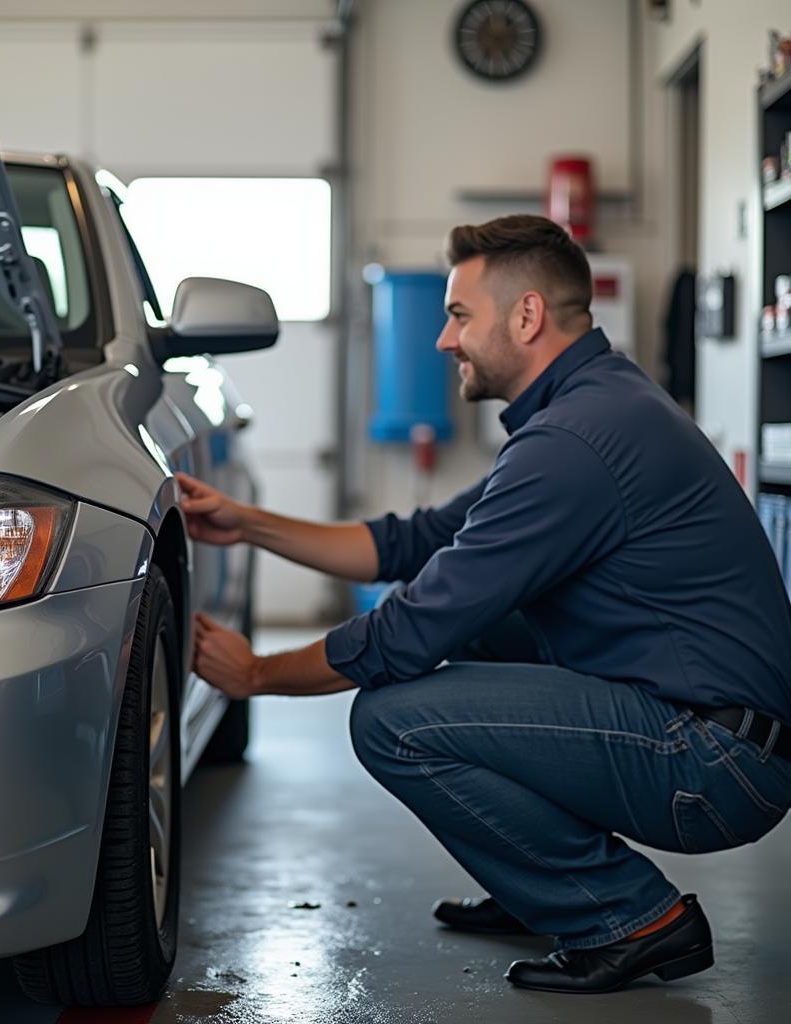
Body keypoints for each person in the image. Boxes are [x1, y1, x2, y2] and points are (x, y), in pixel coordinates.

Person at [176, 214, 791, 995]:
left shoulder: (575, 444)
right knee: (489, 626)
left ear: (526, 315)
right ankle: (536, 882)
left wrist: (259, 674)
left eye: (459, 314)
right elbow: (421, 540)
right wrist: (250, 522)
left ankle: (631, 916)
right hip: (711, 732)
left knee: (387, 720)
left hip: (716, 766)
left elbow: (408, 631)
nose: (443, 340)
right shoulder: (594, 407)